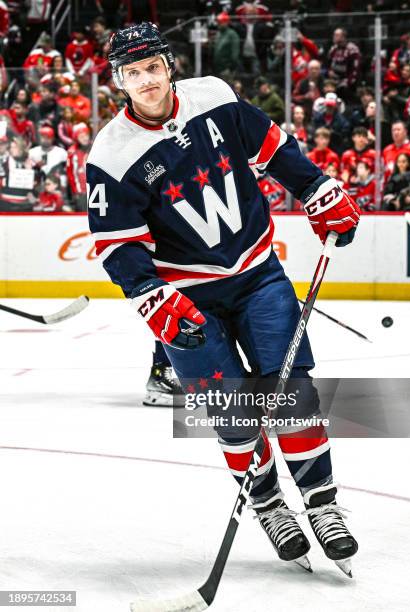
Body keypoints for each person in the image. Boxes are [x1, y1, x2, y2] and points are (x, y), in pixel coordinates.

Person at [86, 22, 360, 574]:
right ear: (119, 81)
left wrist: (314, 187)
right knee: (231, 411)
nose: (145, 81)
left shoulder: (215, 97)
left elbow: (275, 148)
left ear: (169, 65)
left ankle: (323, 504)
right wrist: (149, 295)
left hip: (258, 274)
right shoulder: (109, 155)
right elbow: (117, 245)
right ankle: (268, 503)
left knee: (292, 393)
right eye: (131, 74)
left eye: (151, 68)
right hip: (187, 296)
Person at [211, 12, 241, 79]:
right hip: (217, 69)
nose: (218, 24)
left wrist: (230, 68)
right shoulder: (219, 33)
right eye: (218, 22)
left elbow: (235, 54)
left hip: (227, 69)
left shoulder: (232, 34)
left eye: (220, 22)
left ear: (226, 22)